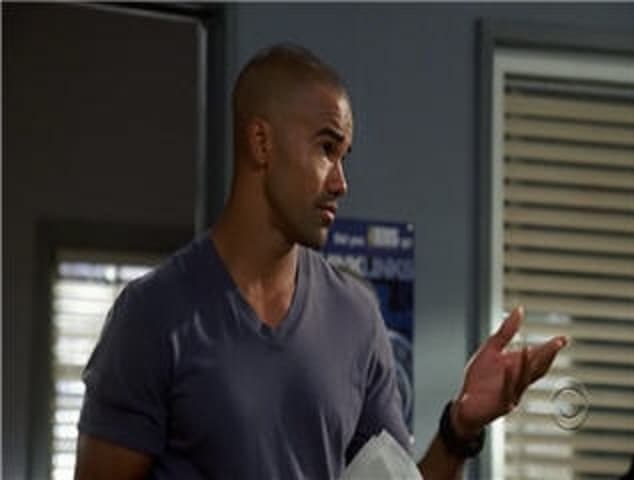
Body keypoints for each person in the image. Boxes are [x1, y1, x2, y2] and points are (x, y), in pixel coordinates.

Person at [74, 44, 567, 479]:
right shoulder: (152, 314)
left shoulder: (355, 316)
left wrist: (460, 427)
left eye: (344, 155)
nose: (341, 182)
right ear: (262, 143)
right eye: (327, 149)